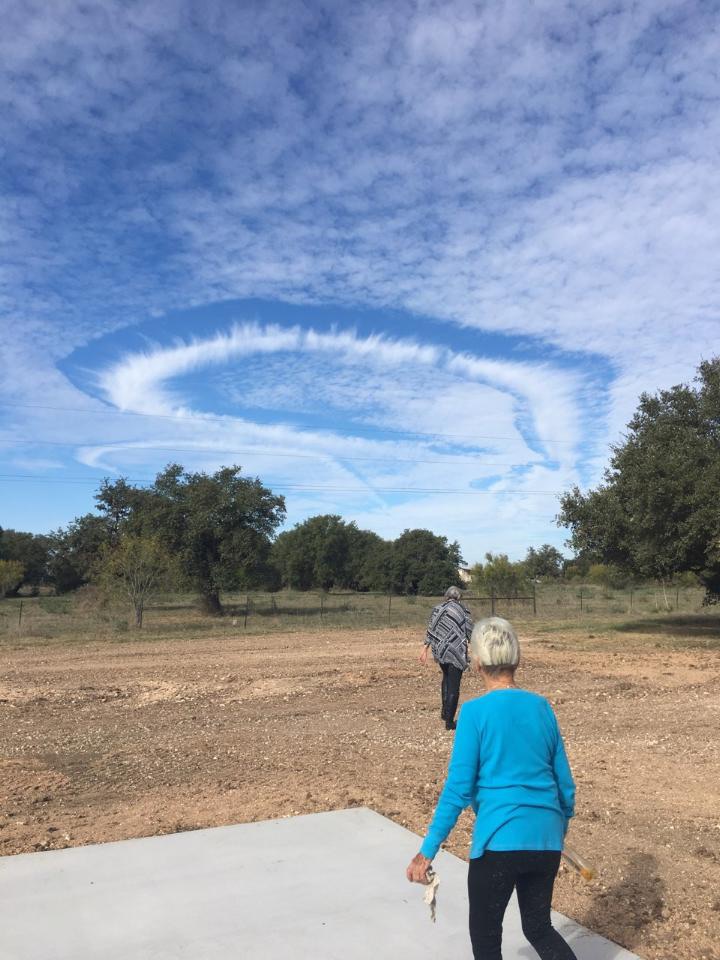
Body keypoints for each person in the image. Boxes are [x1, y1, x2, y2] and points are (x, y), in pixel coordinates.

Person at [407, 616, 577, 960]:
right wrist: (558, 829)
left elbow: (458, 789)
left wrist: (426, 852)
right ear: (516, 658)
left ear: (477, 662)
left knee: (486, 943)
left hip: (498, 844)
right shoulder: (542, 707)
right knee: (539, 928)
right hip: (545, 841)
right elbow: (566, 788)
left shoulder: (473, 713)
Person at [420, 586, 473, 730]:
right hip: (456, 651)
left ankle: (445, 712)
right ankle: (449, 722)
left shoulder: (437, 609)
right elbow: (469, 631)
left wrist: (425, 648)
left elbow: (431, 630)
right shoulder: (463, 610)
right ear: (459, 597)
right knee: (454, 686)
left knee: (446, 678)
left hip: (441, 651)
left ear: (446, 596)